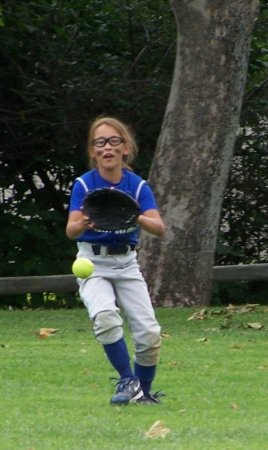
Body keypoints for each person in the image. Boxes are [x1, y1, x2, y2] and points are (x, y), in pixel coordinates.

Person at [66, 116, 165, 405]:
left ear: (125, 148)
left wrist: (133, 214)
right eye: (100, 143)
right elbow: (71, 230)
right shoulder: (84, 185)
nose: (107, 147)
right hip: (92, 263)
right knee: (106, 317)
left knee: (149, 333)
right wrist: (85, 221)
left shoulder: (137, 186)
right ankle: (127, 379)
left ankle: (143, 392)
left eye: (114, 141)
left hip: (126, 263)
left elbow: (159, 228)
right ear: (93, 150)